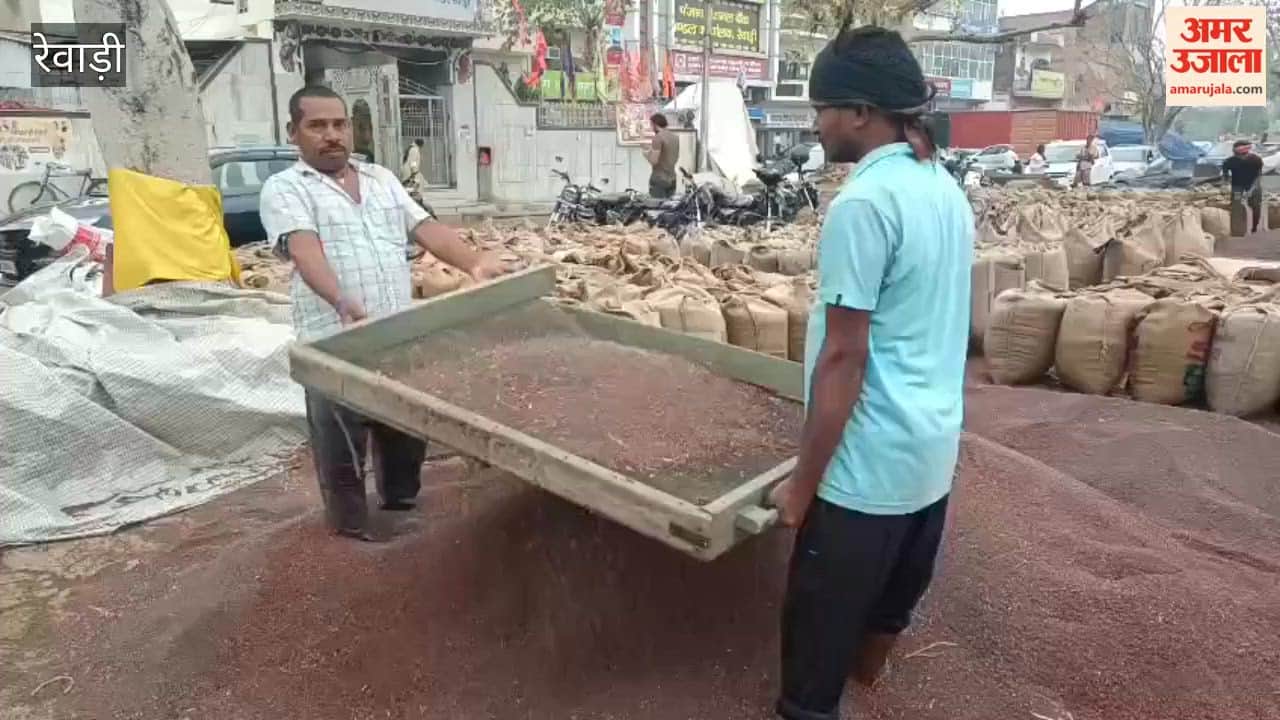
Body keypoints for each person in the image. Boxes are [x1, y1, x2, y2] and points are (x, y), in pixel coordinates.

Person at [767, 26, 972, 720]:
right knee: (886, 614)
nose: (816, 125)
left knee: (811, 667)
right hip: (930, 458)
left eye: (821, 109)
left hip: (865, 475)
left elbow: (844, 356)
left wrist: (802, 489)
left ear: (860, 112)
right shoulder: (941, 187)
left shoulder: (863, 204)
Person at [260, 86, 508, 541]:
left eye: (340, 124)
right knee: (341, 446)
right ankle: (351, 535)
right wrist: (339, 299)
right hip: (335, 341)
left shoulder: (381, 179)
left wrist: (474, 263)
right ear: (293, 132)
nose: (332, 135)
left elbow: (425, 228)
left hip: (396, 336)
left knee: (404, 435)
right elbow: (304, 248)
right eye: (317, 126)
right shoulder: (286, 188)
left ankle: (401, 513)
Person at [1222, 139, 1263, 235]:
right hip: (1237, 187)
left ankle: (1254, 228)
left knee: (1256, 206)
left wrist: (1252, 189)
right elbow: (1225, 176)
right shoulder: (1229, 161)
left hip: (1253, 185)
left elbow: (1259, 176)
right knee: (1236, 206)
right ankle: (1237, 230)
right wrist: (1225, 185)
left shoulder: (1256, 160)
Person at [644, 113, 679, 198]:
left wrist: (646, 154)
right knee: (669, 205)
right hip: (672, 178)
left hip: (659, 179)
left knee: (657, 205)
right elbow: (673, 156)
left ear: (655, 125)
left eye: (651, 125)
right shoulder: (675, 137)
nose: (651, 128)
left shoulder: (658, 137)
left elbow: (654, 161)